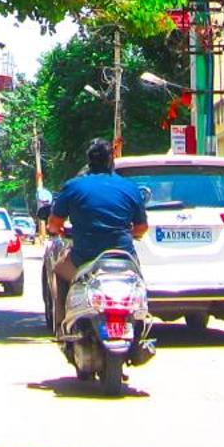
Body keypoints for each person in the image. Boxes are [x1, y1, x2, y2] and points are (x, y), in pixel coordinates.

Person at [44, 139, 150, 333]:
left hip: (84, 257)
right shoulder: (130, 188)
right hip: (122, 255)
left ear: (89, 161)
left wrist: (58, 230)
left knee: (59, 270)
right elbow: (142, 227)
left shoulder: (73, 187)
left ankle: (61, 325)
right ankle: (142, 326)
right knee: (138, 281)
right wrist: (128, 233)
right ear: (112, 159)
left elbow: (53, 223)